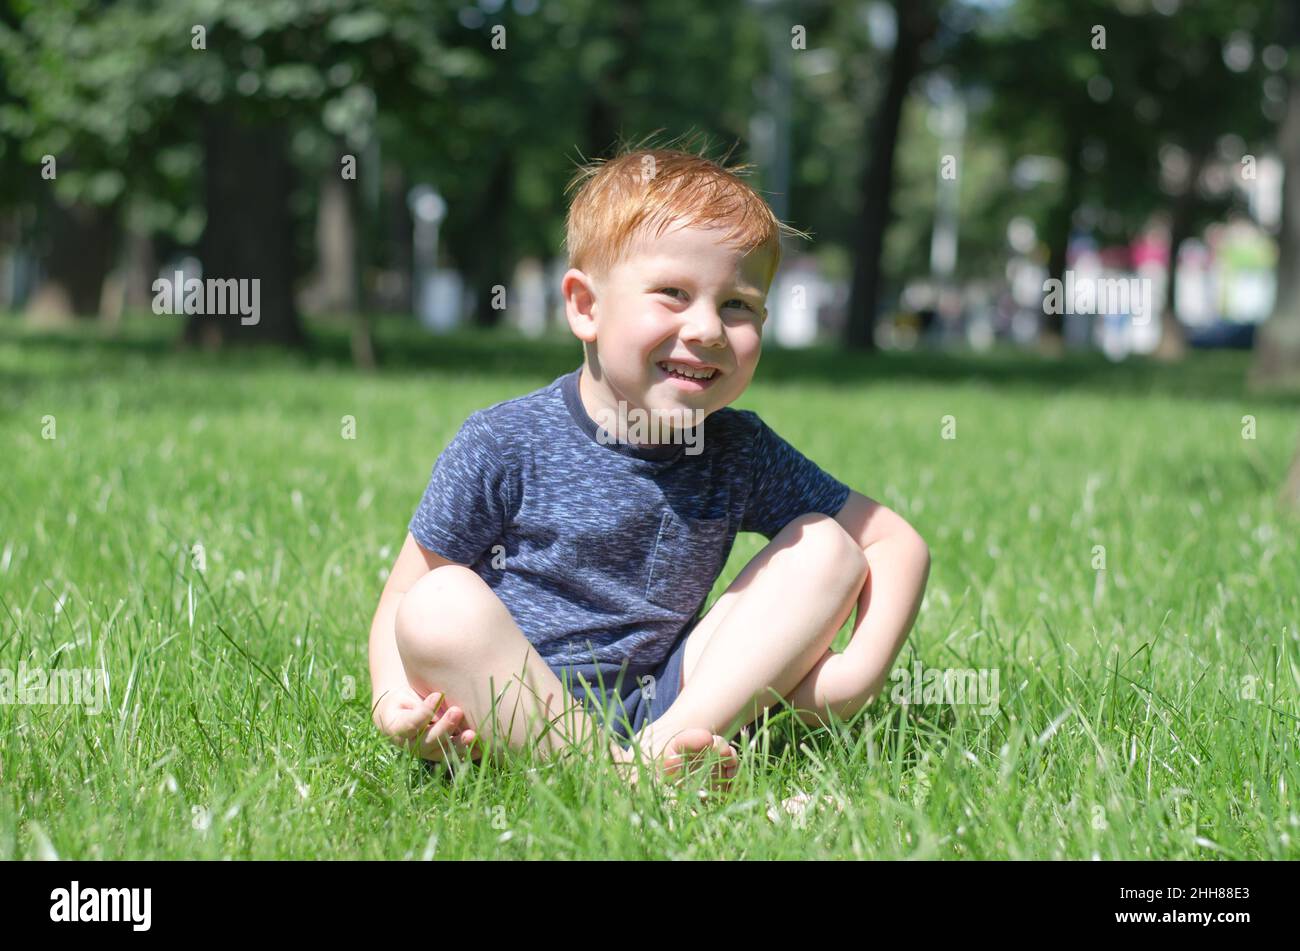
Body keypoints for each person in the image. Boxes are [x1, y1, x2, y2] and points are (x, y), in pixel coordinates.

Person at [368, 143, 931, 787]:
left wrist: (857, 674)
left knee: (828, 546)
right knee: (438, 604)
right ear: (586, 306)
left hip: (670, 704)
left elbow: (892, 541)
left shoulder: (738, 449)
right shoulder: (505, 440)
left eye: (737, 304)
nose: (708, 329)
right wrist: (394, 704)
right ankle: (624, 782)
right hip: (512, 707)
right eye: (673, 293)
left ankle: (651, 761)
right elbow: (404, 598)